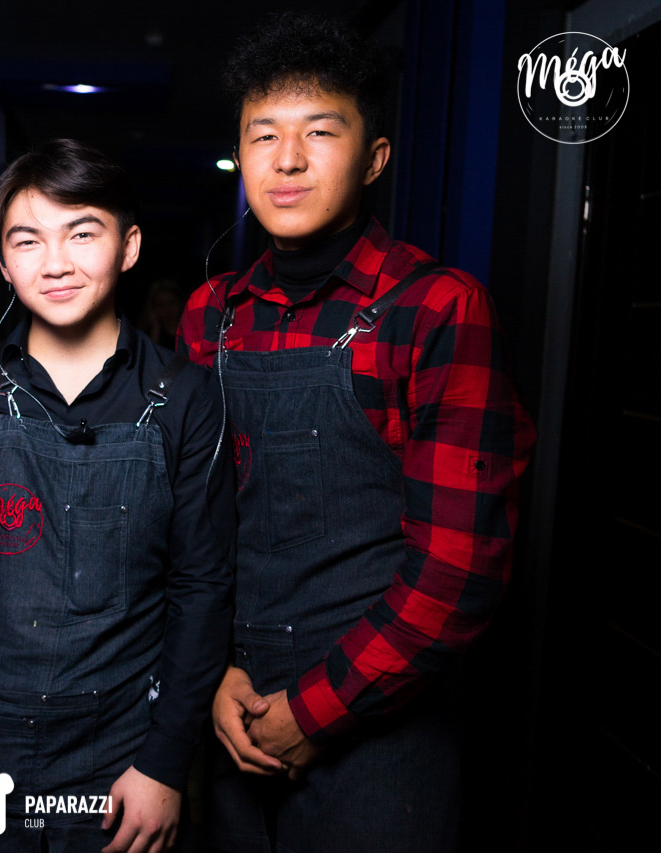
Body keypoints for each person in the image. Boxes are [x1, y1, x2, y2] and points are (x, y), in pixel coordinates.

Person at [177, 14, 537, 853]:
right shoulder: (210, 315)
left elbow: (459, 571)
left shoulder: (436, 308)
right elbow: (190, 526)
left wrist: (314, 712)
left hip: (382, 726)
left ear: (374, 158)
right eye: (263, 135)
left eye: (319, 132)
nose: (287, 159)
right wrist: (211, 673)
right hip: (235, 709)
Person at [0, 139, 234, 853]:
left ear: (129, 246)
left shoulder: (186, 397)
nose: (55, 263)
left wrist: (164, 762)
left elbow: (201, 587)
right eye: (27, 241)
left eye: (82, 233)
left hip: (121, 746)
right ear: (2, 263)